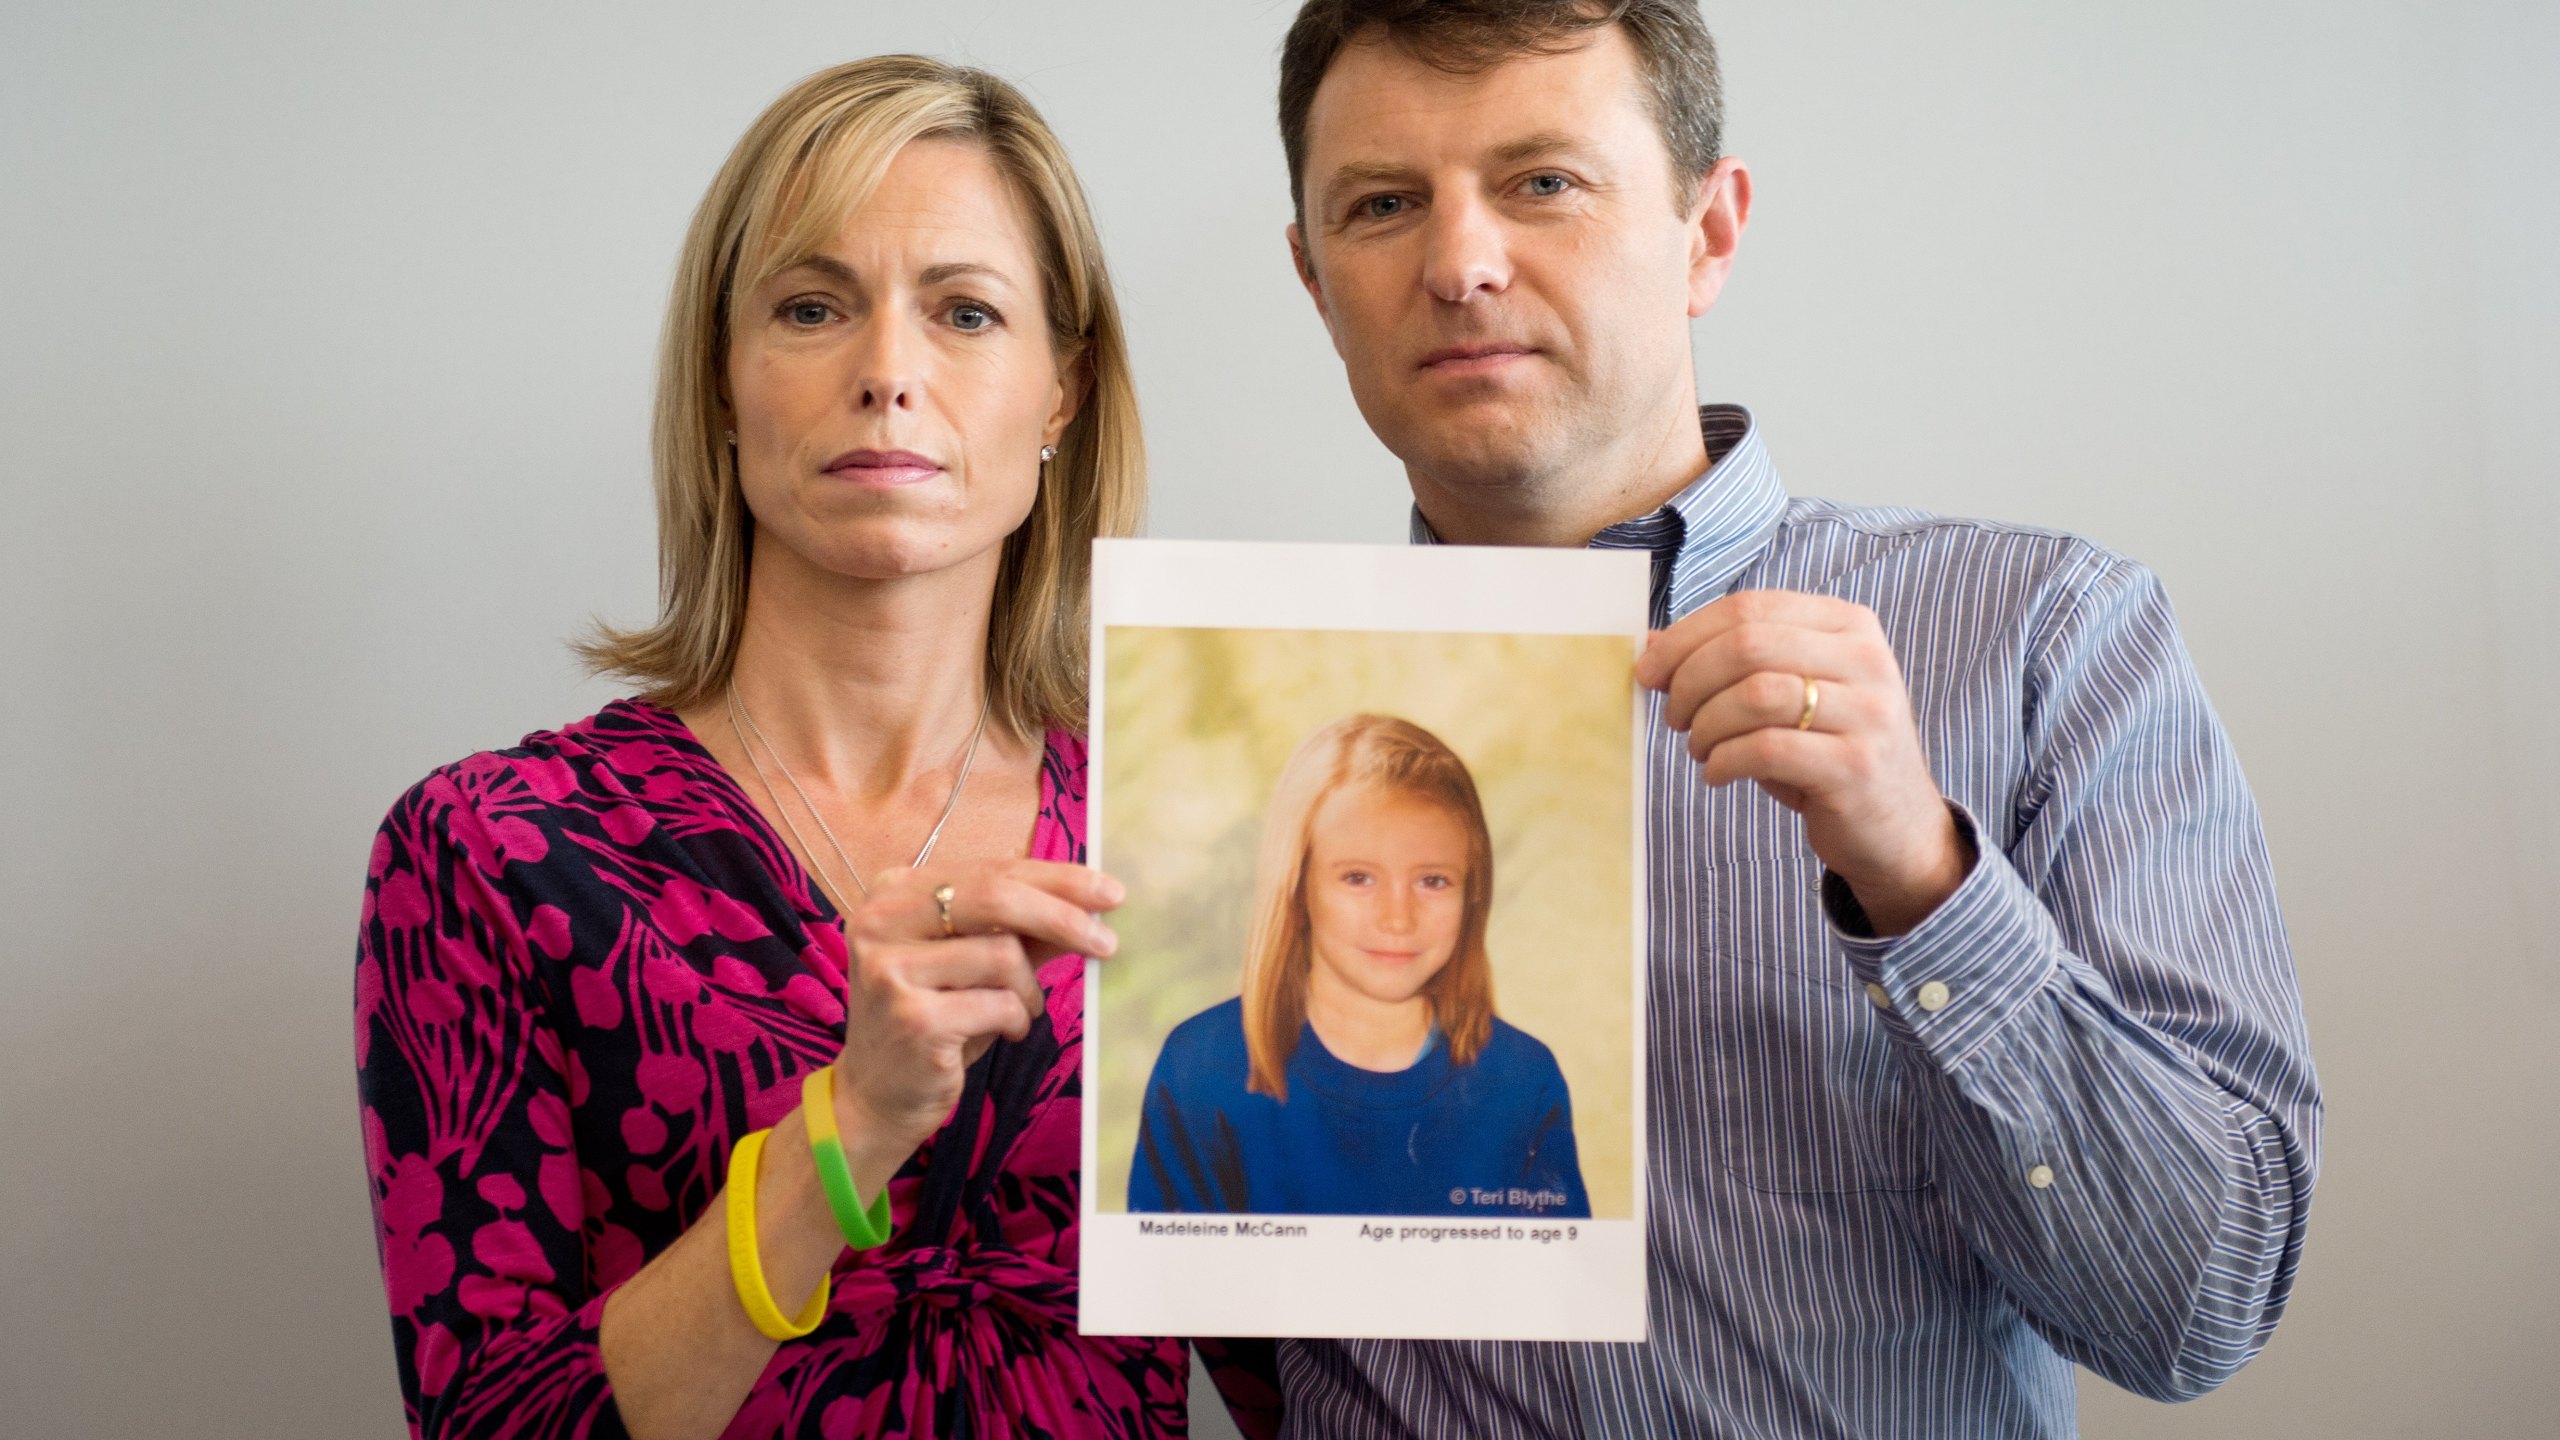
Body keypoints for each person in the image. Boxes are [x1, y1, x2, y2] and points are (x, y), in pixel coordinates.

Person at [1266, 1, 2321, 1434]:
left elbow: (2201, 1307)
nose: (1460, 264)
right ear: (1316, 286)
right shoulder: (1227, 720)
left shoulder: (2050, 633)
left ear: (1709, 233)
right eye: (1384, 205)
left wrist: (1923, 878)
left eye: (1544, 183)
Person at [354, 56, 1274, 1440]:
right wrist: (840, 1134)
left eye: (964, 312)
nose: (889, 374)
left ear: (1062, 396)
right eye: (809, 307)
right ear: (724, 385)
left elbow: (1313, 1379)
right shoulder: (491, 853)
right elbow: (491, 1420)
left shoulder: (1194, 830)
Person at [1128, 713, 1590, 1218]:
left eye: (1433, 881)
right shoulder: (1201, 1069)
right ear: (1298, 886)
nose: (1397, 918)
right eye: (1358, 878)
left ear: (1472, 893)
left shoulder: (1523, 1079)